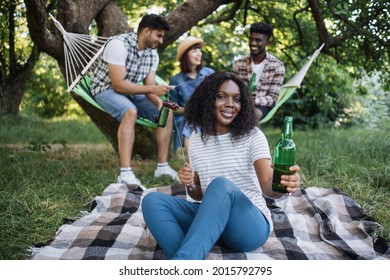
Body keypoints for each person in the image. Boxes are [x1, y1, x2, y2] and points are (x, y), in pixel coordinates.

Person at [142, 71, 301, 260]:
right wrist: (191, 183)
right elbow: (198, 194)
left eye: (237, 99)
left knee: (221, 185)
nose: (230, 104)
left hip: (248, 227)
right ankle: (188, 257)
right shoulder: (196, 140)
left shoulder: (252, 136)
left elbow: (268, 185)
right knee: (152, 201)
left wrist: (283, 185)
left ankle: (183, 264)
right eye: (221, 97)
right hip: (214, 221)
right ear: (207, 100)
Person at [90, 14, 179, 186]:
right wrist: (152, 90)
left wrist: (159, 102)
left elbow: (149, 85)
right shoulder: (118, 44)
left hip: (132, 91)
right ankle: (125, 173)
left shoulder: (153, 54)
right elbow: (118, 85)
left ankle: (162, 167)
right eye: (158, 35)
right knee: (130, 111)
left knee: (166, 112)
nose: (161, 41)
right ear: (146, 31)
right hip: (105, 89)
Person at [169, 36, 214, 157]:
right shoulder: (176, 79)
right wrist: (189, 111)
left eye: (199, 50)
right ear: (185, 55)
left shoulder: (209, 73)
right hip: (185, 117)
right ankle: (192, 167)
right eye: (194, 50)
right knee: (190, 125)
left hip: (208, 116)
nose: (199, 54)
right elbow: (173, 107)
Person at [233, 22, 285, 121]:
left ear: (267, 43)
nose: (253, 43)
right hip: (240, 102)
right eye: (251, 39)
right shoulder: (239, 63)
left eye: (258, 40)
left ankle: (253, 136)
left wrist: (255, 100)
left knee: (253, 115)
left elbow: (273, 98)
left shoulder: (277, 65)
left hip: (262, 105)